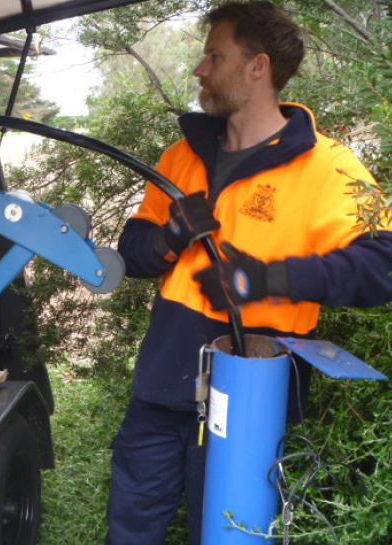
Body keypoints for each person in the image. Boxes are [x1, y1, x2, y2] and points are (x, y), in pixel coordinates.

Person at [109, 2, 392, 544]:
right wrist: (170, 237)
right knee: (132, 521)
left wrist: (265, 280)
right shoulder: (181, 156)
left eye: (215, 56)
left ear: (258, 67)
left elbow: (382, 265)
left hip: (256, 390)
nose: (200, 69)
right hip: (164, 374)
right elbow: (131, 251)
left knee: (229, 528)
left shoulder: (326, 167)